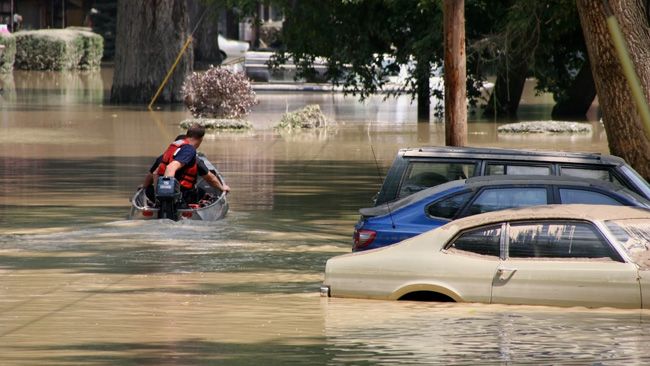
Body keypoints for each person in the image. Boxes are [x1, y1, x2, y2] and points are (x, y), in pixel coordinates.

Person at [142, 125, 230, 204]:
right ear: (200, 139)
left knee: (148, 189)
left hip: (159, 194)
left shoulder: (170, 150)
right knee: (201, 192)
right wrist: (222, 188)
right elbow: (171, 167)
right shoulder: (189, 150)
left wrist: (145, 188)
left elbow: (154, 173)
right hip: (181, 196)